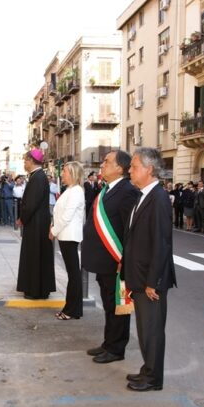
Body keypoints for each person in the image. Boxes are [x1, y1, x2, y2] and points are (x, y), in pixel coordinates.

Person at [123, 148, 176, 391]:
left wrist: (153, 281)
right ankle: (147, 369)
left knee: (152, 331)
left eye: (134, 166)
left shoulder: (159, 198)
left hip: (150, 280)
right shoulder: (143, 195)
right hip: (139, 275)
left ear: (149, 169)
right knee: (145, 329)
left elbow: (161, 243)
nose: (130, 170)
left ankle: (154, 378)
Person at [82, 150, 139, 363]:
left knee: (118, 306)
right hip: (103, 262)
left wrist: (125, 260)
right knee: (108, 305)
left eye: (107, 161)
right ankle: (108, 343)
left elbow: (130, 230)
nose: (102, 164)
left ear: (119, 168)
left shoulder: (126, 191)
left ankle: (116, 349)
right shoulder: (106, 189)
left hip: (115, 262)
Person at [16, 149, 56, 299]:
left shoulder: (38, 177)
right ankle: (39, 288)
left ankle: (35, 290)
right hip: (38, 222)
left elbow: (31, 204)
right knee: (37, 256)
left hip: (36, 223)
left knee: (34, 256)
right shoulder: (37, 176)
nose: (24, 163)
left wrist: (22, 218)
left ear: (32, 161)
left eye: (25, 160)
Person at [50, 162, 85, 320]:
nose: (62, 174)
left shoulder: (76, 191)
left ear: (72, 173)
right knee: (73, 274)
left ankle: (71, 310)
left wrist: (53, 230)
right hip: (65, 235)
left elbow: (67, 216)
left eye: (64, 171)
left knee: (73, 274)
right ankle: (73, 309)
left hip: (69, 235)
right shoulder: (70, 190)